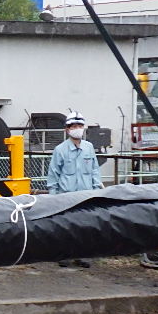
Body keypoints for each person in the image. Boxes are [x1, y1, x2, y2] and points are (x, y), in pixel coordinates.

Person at [46, 112, 103, 267]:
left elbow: (94, 170)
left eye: (79, 126)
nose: (77, 129)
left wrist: (97, 189)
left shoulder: (89, 148)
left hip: (86, 195)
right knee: (66, 227)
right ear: (67, 130)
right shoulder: (60, 150)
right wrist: (54, 196)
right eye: (73, 126)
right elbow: (53, 174)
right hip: (66, 196)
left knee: (85, 227)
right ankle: (64, 255)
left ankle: (82, 255)